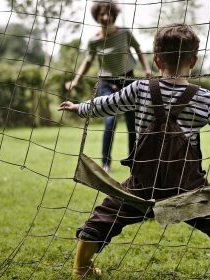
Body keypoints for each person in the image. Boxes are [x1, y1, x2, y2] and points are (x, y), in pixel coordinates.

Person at [60, 23, 210, 280]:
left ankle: (81, 269)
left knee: (103, 218)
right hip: (189, 189)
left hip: (142, 187)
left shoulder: (139, 88)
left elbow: (107, 105)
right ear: (194, 60)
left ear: (156, 59)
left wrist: (79, 108)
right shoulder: (203, 98)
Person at [65, 0, 152, 172]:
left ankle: (133, 161)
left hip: (128, 80)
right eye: (101, 14)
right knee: (110, 120)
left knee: (131, 123)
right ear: (96, 17)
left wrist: (147, 69)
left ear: (114, 15)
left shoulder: (125, 33)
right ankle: (106, 163)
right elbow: (87, 62)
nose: (105, 17)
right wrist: (75, 81)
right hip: (106, 82)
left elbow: (139, 49)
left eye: (108, 13)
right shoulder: (94, 41)